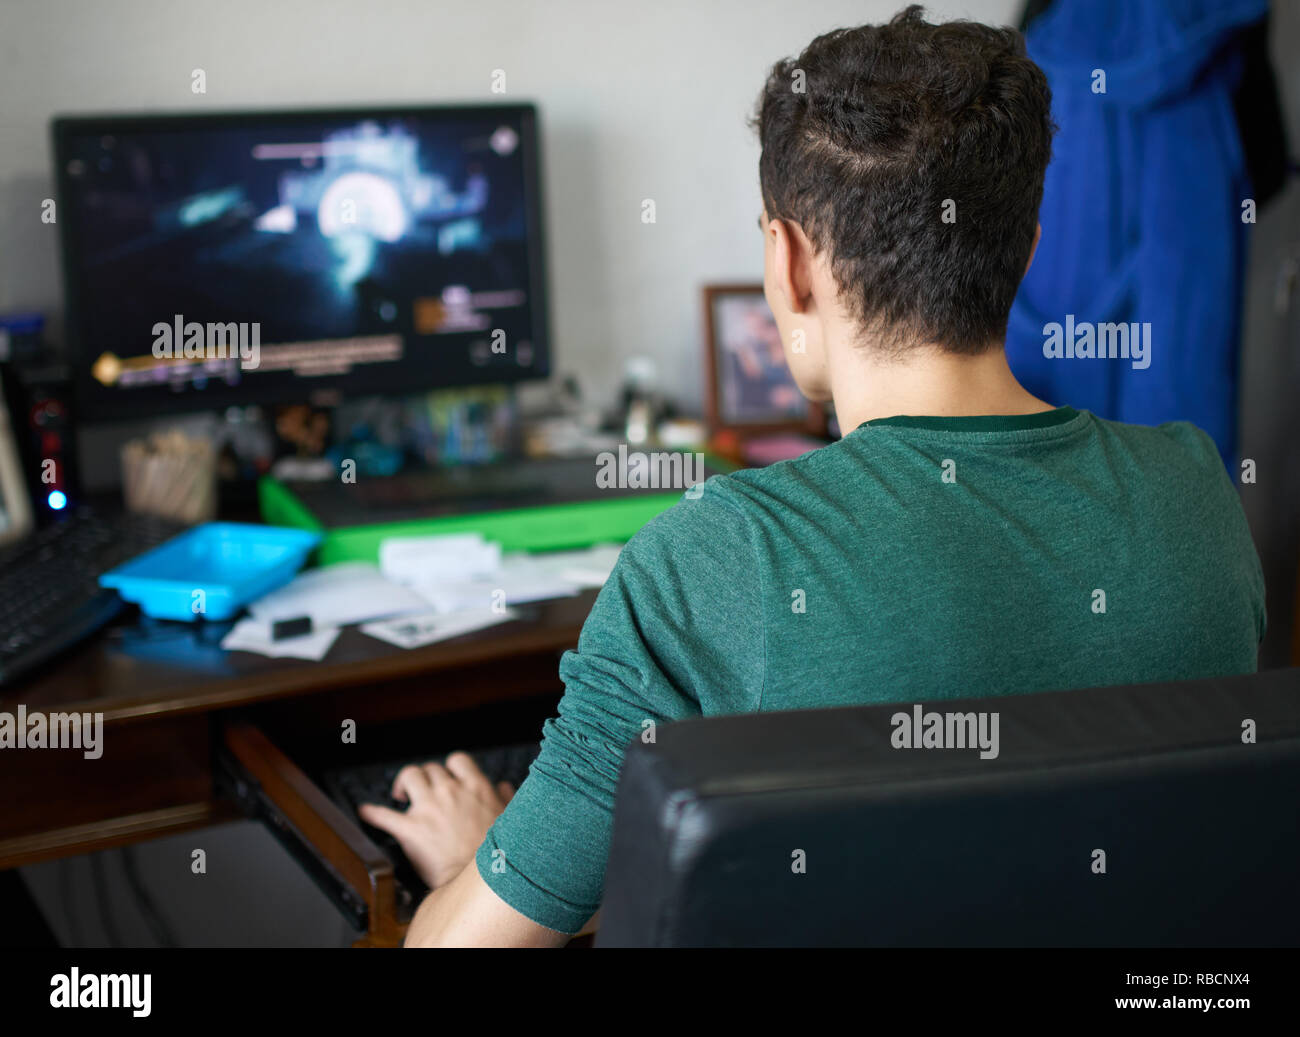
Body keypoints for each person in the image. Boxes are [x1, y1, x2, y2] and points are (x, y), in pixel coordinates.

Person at [360, 5, 1265, 947]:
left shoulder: (712, 557)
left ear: (787, 264)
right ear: (1028, 251)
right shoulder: (1197, 495)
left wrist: (481, 852)